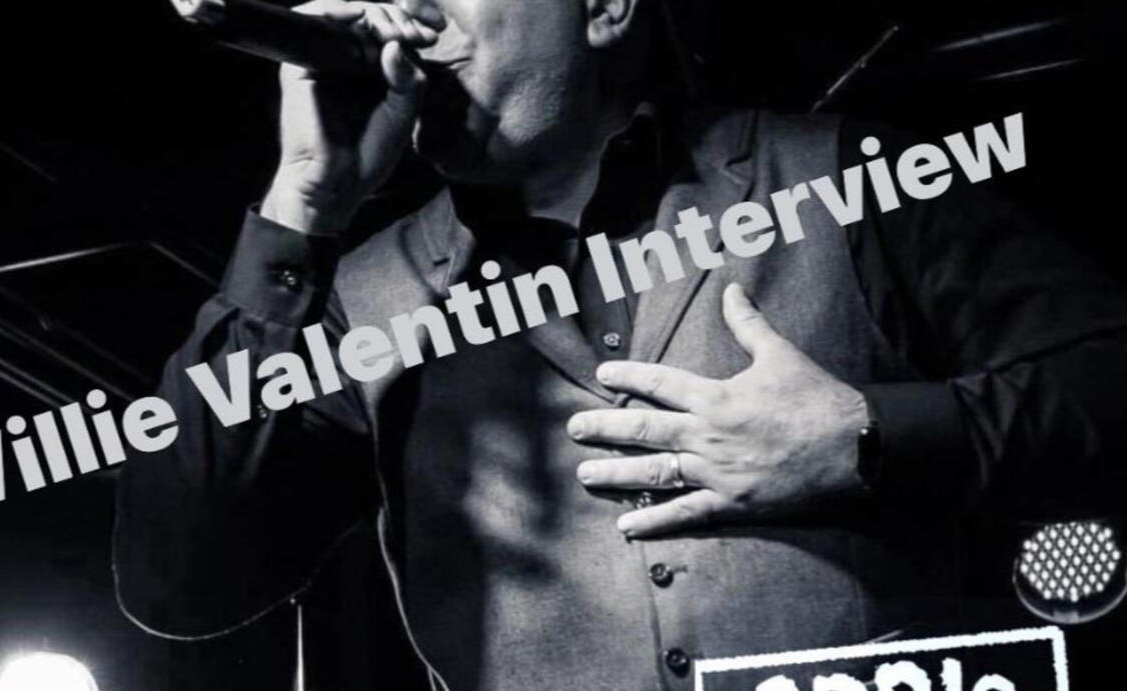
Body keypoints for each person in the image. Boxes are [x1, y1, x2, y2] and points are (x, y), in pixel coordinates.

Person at [114, 0, 1127, 689]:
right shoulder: (359, 303)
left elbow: (1106, 377)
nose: (404, 12)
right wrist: (304, 201)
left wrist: (868, 437)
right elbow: (178, 580)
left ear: (603, 8)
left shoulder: (845, 178)